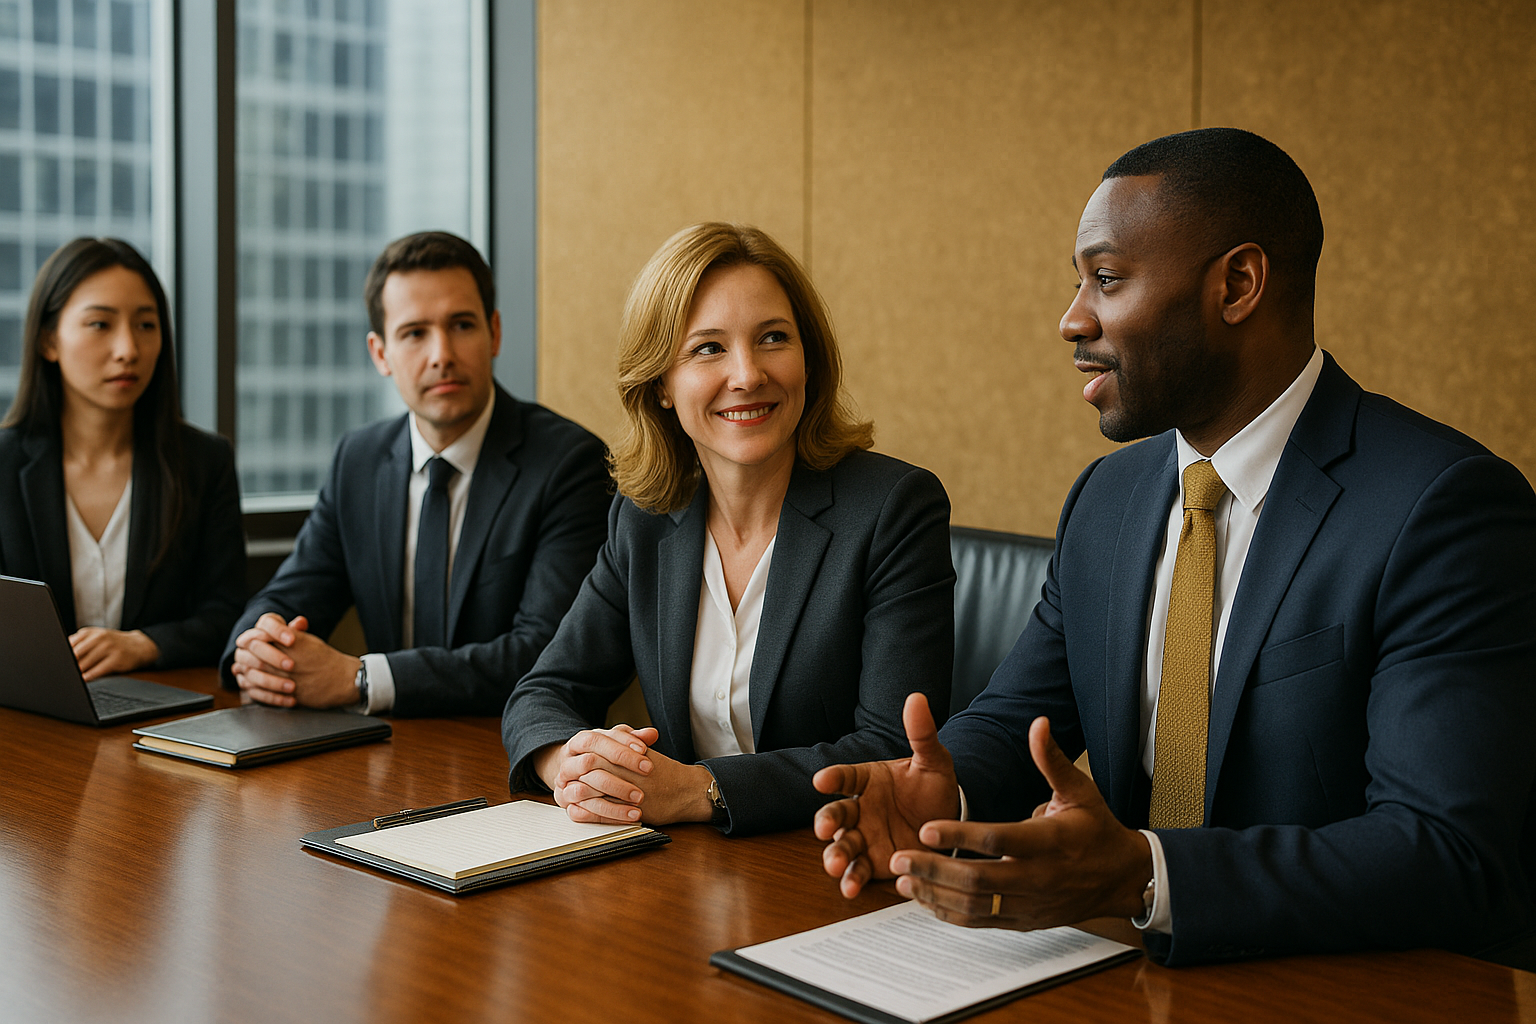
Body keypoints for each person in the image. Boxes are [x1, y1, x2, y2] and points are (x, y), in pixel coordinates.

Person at [813, 128, 1536, 969]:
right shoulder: (1107, 498)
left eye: (1108, 280)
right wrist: (947, 787)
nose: (1071, 318)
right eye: (1077, 283)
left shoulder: (1443, 507)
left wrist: (1145, 878)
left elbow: (1445, 853)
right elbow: (1021, 720)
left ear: (1237, 284)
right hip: (1126, 976)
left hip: (1346, 988)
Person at [502, 222, 955, 836]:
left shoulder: (894, 509)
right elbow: (544, 690)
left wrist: (700, 789)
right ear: (662, 383)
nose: (747, 374)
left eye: (773, 338)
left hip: (832, 860)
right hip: (693, 871)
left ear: (807, 360)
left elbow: (891, 750)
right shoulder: (645, 518)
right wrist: (572, 765)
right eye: (708, 348)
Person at [223, 231, 610, 717]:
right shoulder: (358, 461)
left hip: (508, 751)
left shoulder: (568, 463)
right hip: (384, 750)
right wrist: (257, 647)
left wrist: (359, 679)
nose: (441, 354)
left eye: (462, 325)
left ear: (495, 333)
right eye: (414, 333)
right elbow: (289, 594)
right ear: (380, 353)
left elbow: (544, 655)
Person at [0, 237, 246, 678]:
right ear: (48, 341)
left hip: (163, 714)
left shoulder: (204, 462)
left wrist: (145, 645)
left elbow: (227, 614)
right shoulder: (3, 465)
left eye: (146, 326)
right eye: (100, 325)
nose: (128, 350)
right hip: (28, 719)